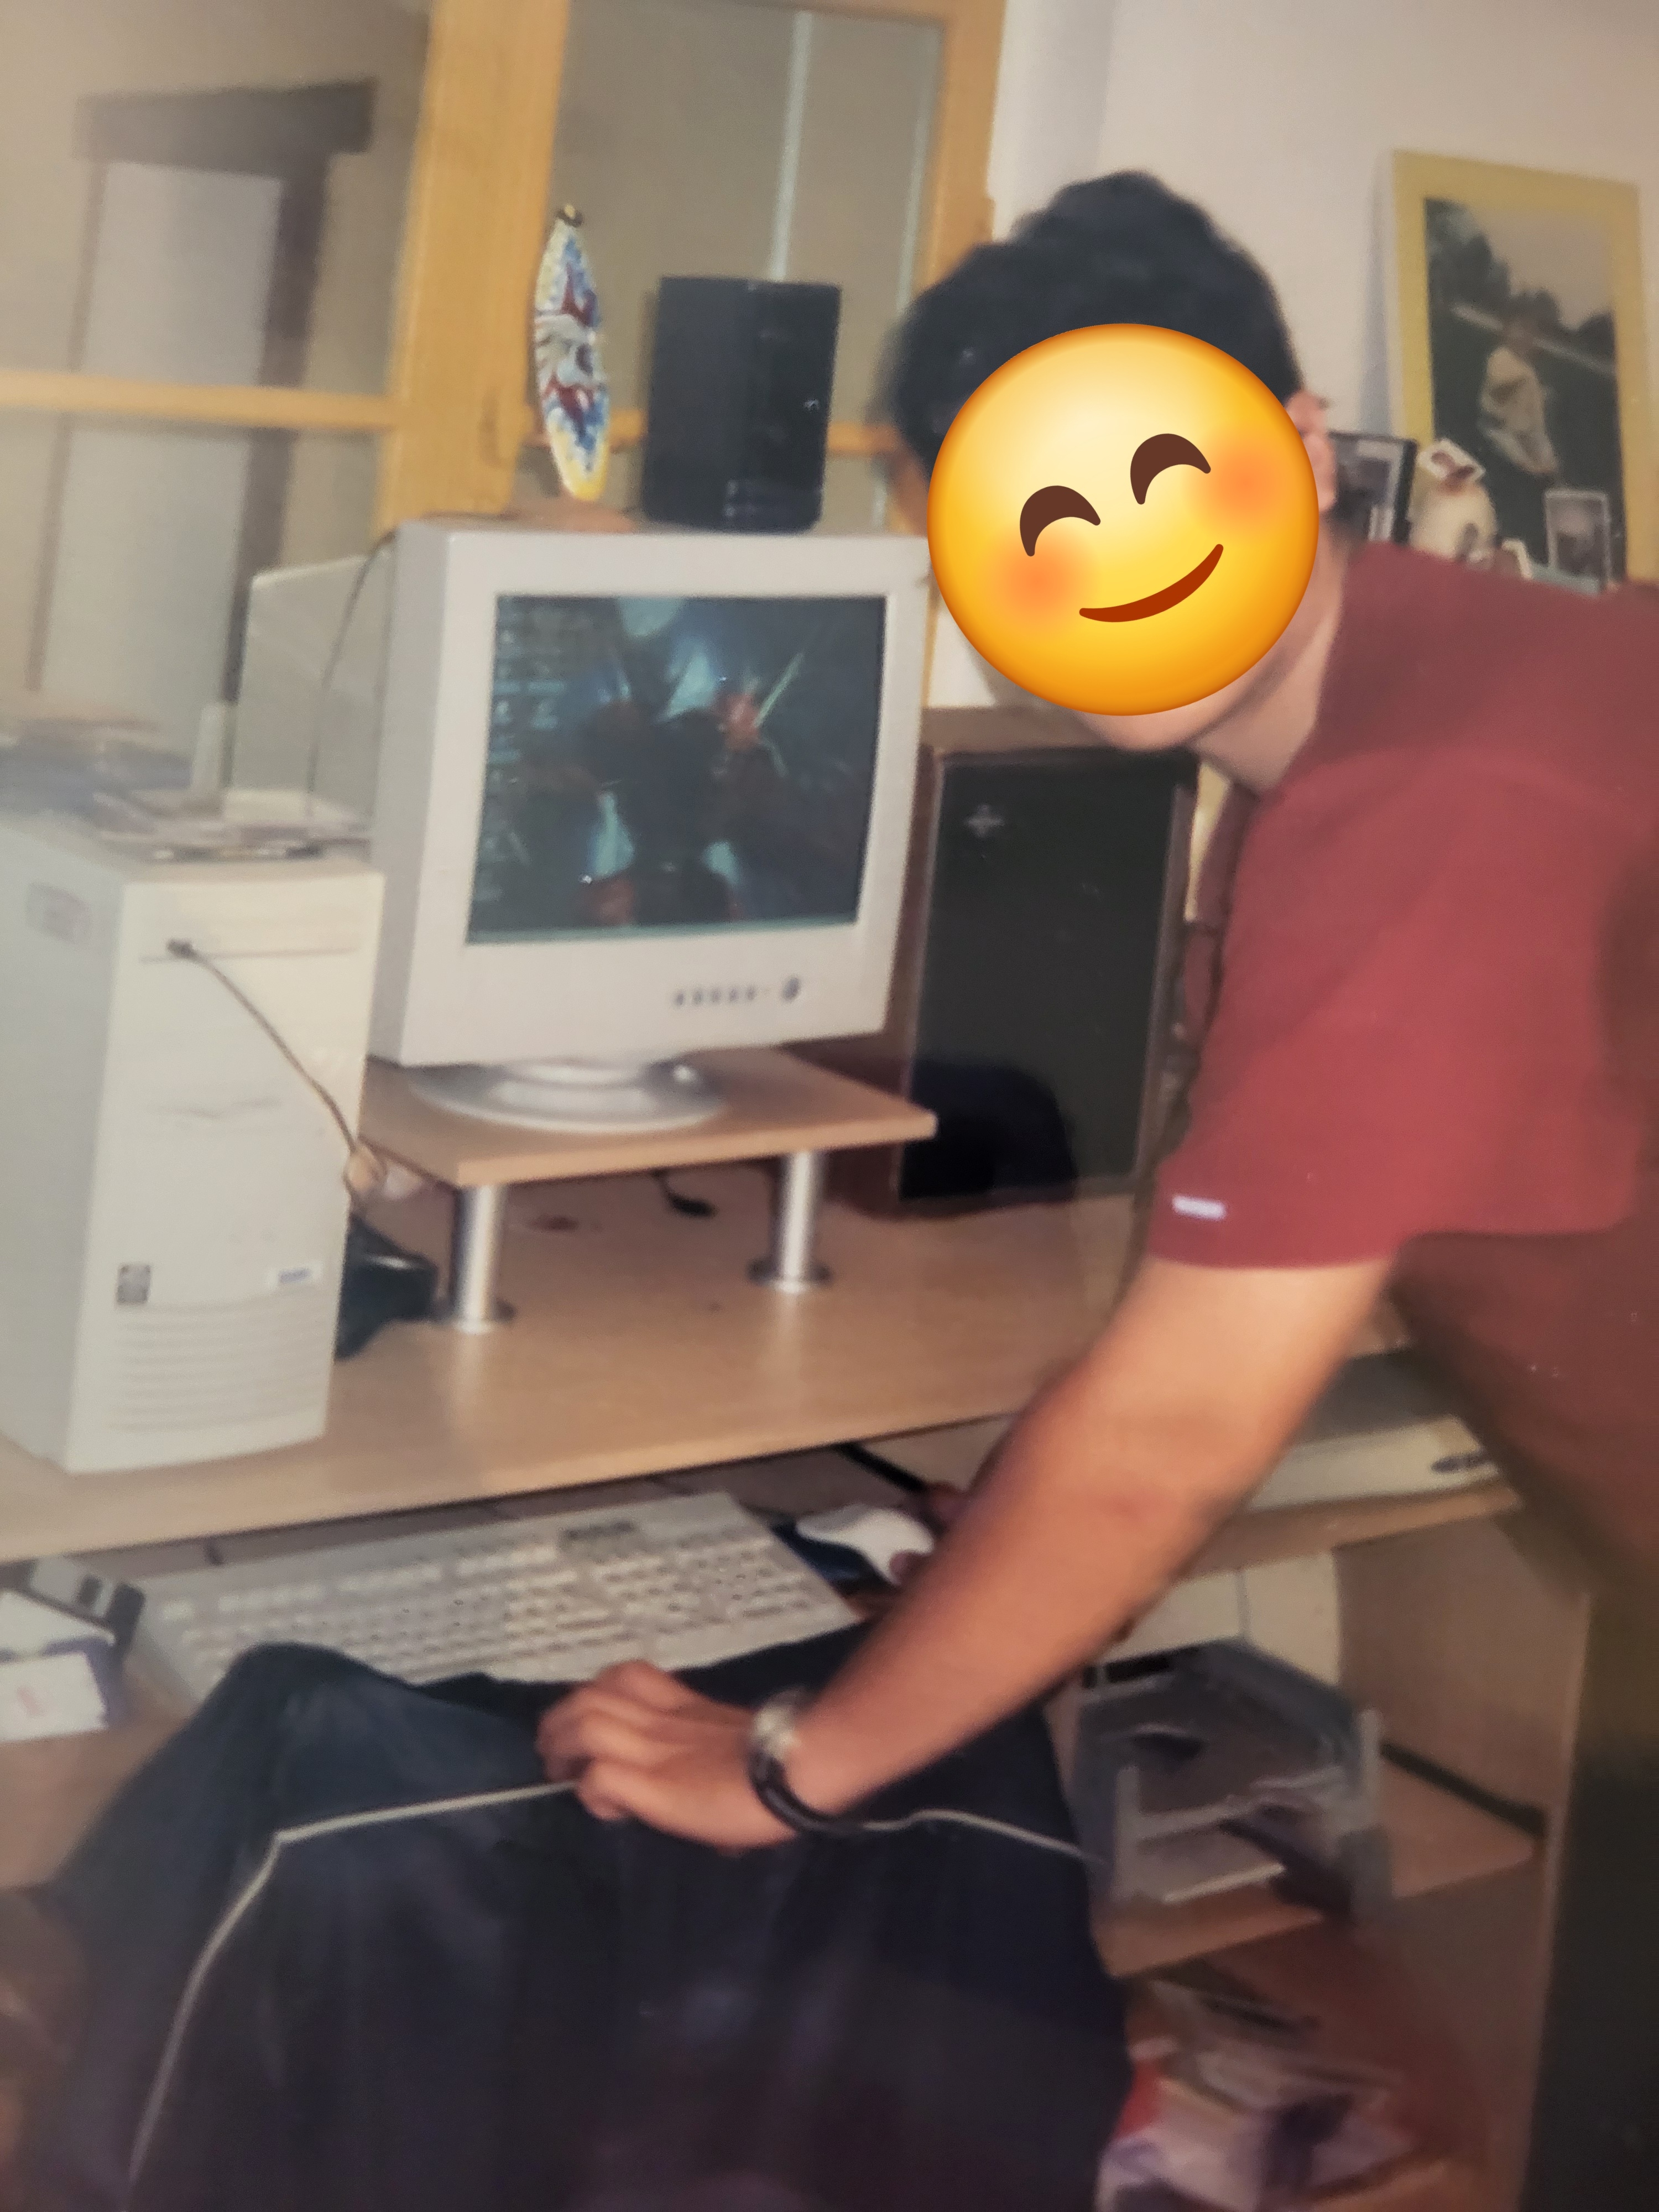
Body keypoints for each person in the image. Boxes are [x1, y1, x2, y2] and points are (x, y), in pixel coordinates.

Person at [538, 171, 1659, 1854]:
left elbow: (1174, 1435)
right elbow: (1214, 1328)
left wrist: (778, 1769)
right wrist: (1014, 1527)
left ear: (1302, 445)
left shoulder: (1425, 798)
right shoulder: (1425, 702)